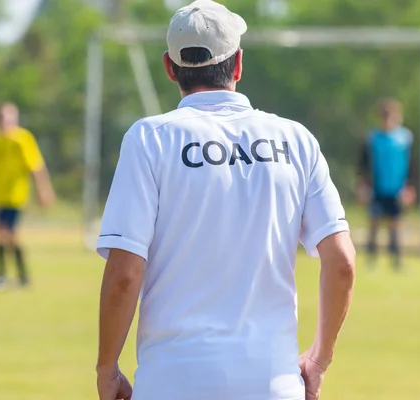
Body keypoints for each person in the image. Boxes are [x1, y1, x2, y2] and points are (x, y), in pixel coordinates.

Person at [95, 2, 356, 400]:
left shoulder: (150, 138)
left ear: (169, 68)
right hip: (273, 385)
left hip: (171, 382)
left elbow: (125, 274)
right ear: (237, 65)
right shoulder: (296, 139)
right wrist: (318, 360)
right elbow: (341, 263)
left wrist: (106, 367)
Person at [0, 102, 55, 290]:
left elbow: (36, 167)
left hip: (17, 197)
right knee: (2, 235)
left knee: (6, 234)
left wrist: (43, 191)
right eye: (1, 118)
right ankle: (17, 277)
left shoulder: (23, 139)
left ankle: (6, 276)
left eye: (9, 118)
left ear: (15, 119)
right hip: (0, 196)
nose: (5, 122)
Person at [357, 98, 416, 270]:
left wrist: (410, 187)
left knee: (394, 224)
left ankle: (396, 261)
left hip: (397, 189)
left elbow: (412, 165)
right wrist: (362, 185)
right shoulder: (373, 138)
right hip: (377, 189)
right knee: (374, 223)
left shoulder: (405, 138)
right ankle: (371, 260)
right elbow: (363, 164)